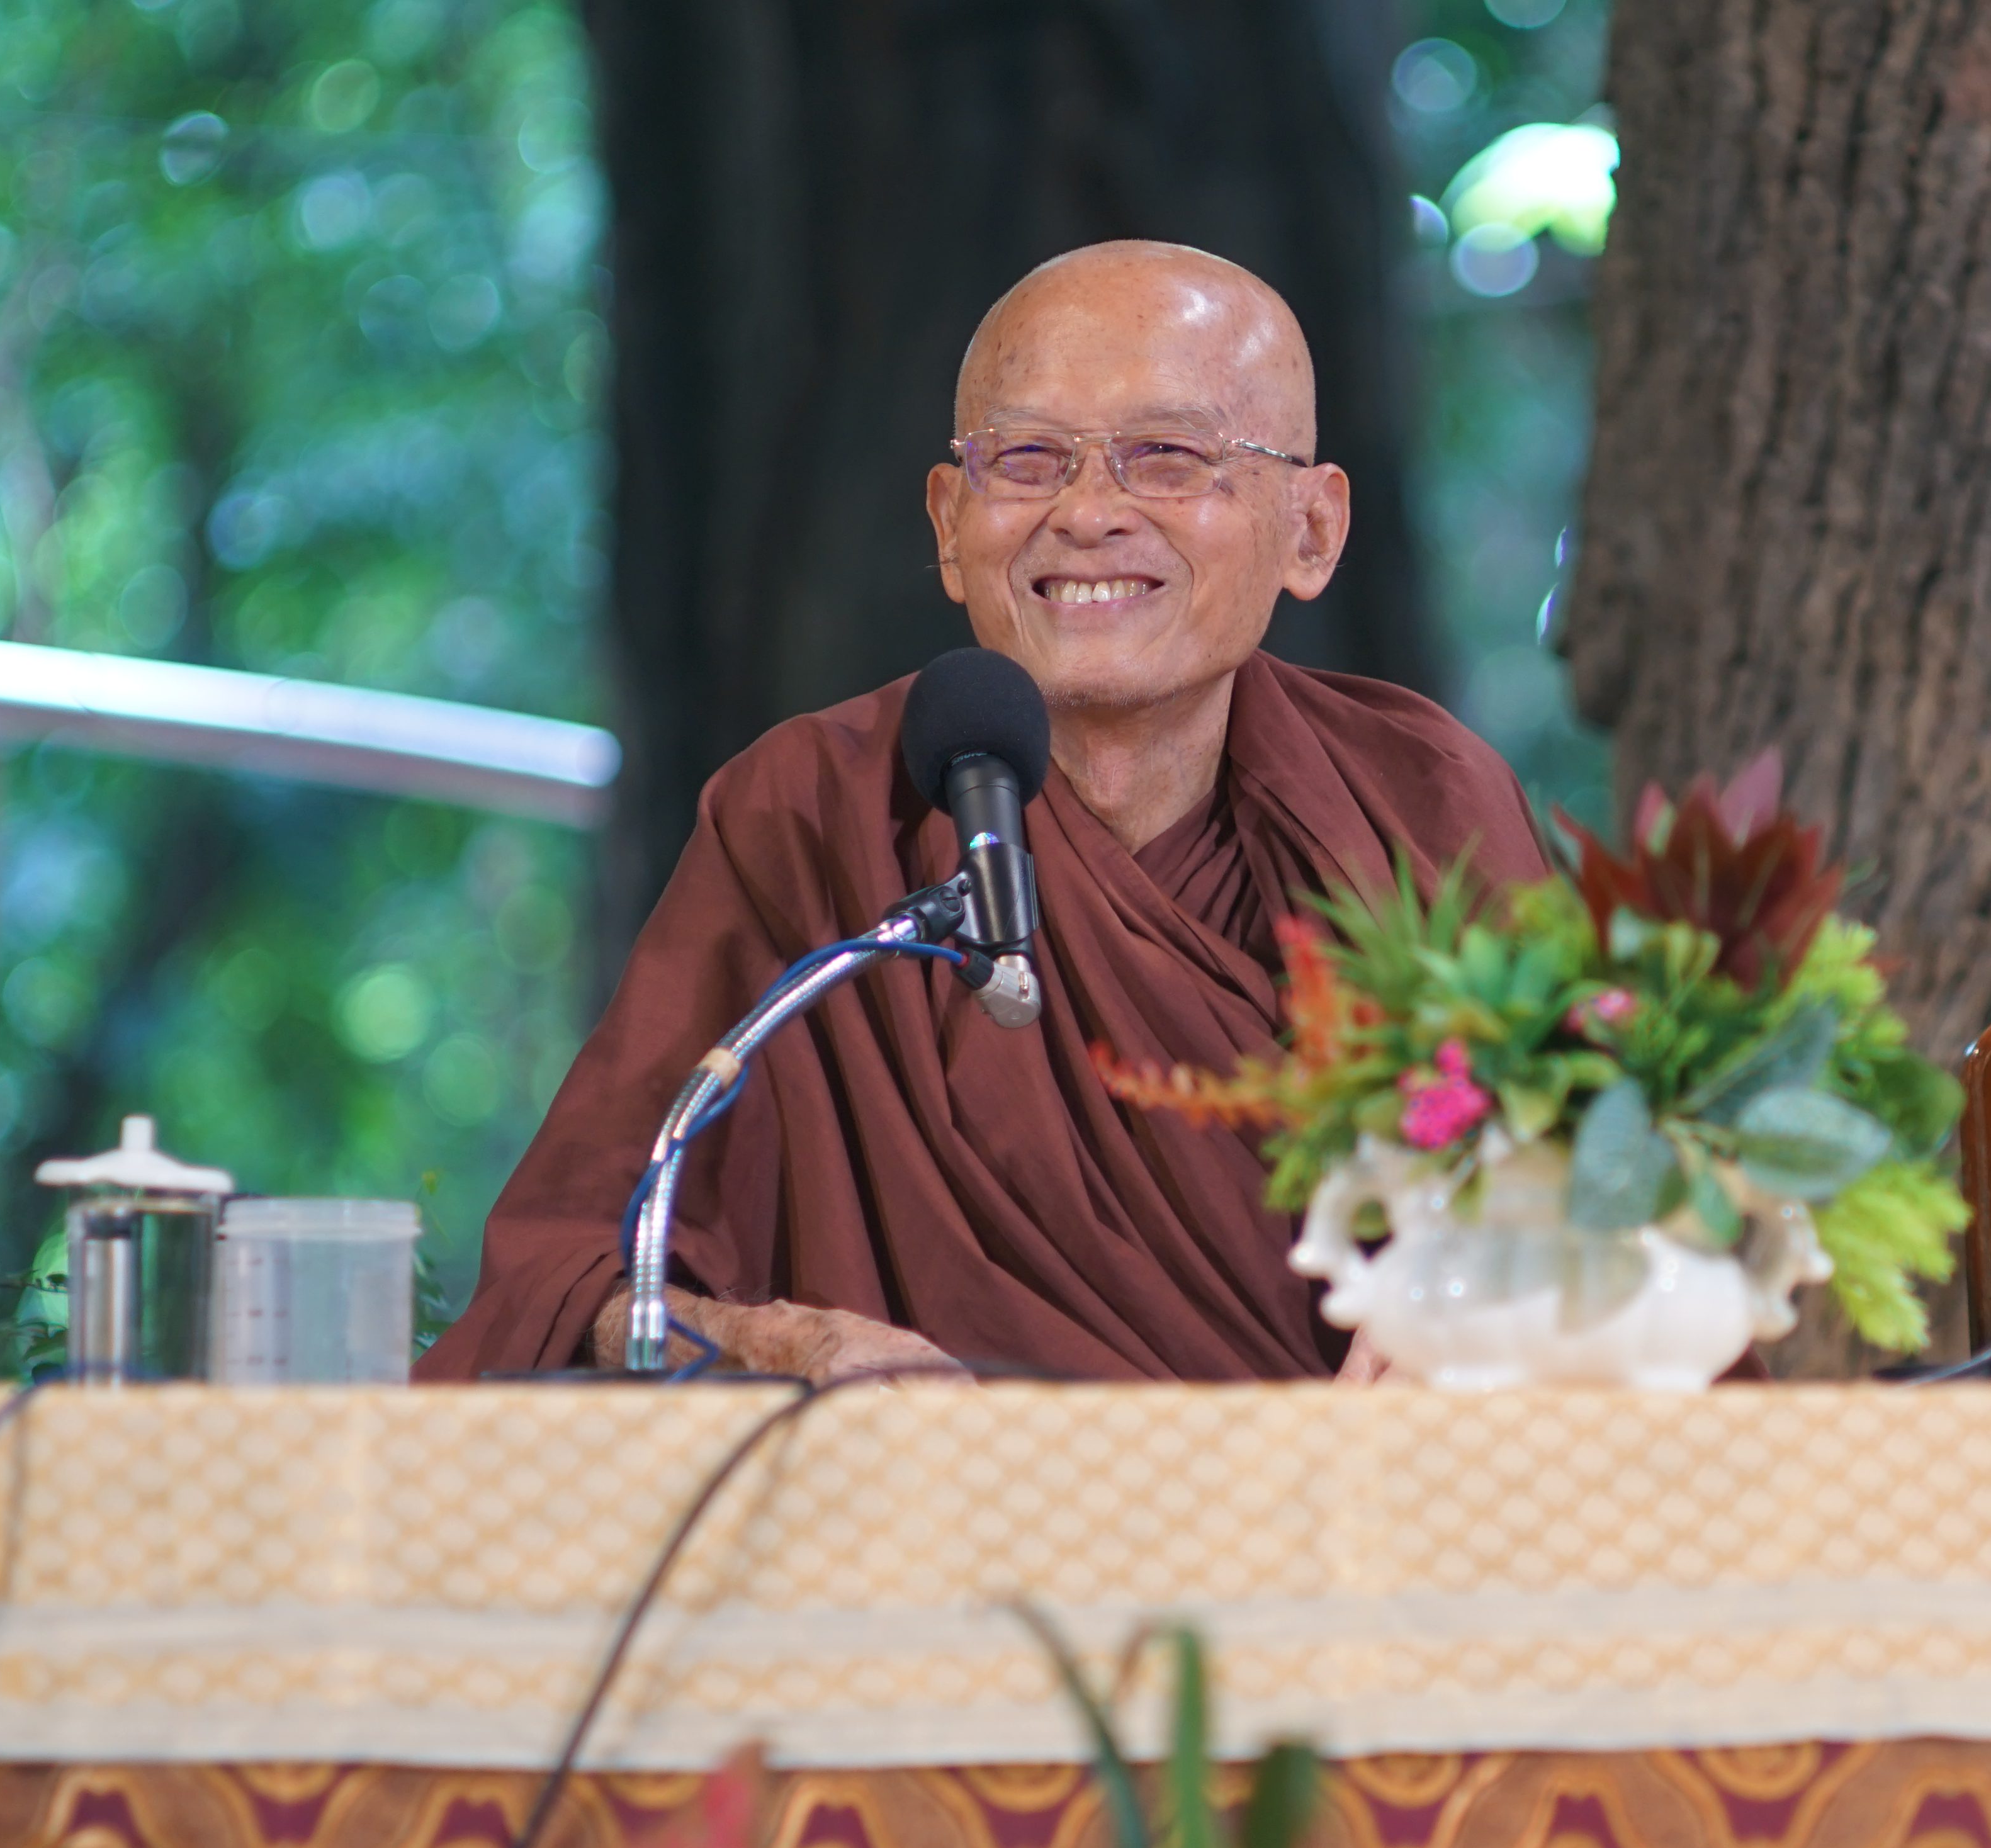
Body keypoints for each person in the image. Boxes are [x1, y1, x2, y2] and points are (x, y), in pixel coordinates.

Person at [420, 242, 1543, 1385]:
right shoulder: (813, 817)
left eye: (1168, 456)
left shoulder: (1418, 810)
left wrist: (1480, 1304)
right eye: (1028, 459)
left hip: (1365, 1491)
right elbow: (577, 1278)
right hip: (924, 1491)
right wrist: (791, 1347)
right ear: (951, 524)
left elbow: (1613, 1208)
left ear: (1312, 529)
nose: (1089, 513)